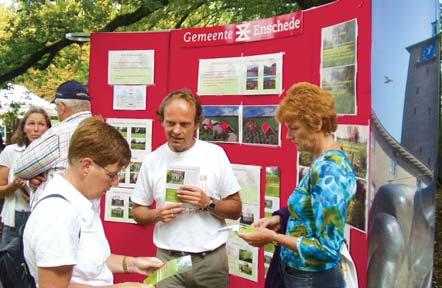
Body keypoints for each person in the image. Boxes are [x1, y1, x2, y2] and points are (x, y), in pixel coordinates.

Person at [238, 82, 356, 288]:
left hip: (312, 280)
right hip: (301, 275)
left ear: (317, 123)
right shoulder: (323, 161)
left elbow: (327, 250)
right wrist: (278, 219)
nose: (288, 136)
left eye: (294, 128)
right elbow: (311, 212)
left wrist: (274, 237)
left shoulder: (330, 172)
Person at [23, 117, 163, 287]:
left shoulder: (78, 203)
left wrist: (133, 264)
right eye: (111, 175)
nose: (116, 182)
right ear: (86, 166)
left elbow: (89, 264)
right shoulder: (58, 214)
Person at [131, 89, 242, 288]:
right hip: (169, 261)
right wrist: (157, 214)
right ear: (162, 121)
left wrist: (208, 203)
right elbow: (138, 212)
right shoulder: (152, 160)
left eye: (185, 124)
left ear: (197, 124)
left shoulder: (215, 155)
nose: (176, 130)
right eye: (171, 123)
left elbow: (235, 210)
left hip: (210, 262)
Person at [14, 80, 92, 207]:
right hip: (90, 214)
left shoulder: (58, 133)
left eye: (56, 108)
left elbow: (20, 169)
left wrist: (37, 173)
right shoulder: (102, 129)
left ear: (62, 107)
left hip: (56, 213)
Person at [0, 107, 51, 286]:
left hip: (42, 218)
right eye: (31, 124)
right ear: (23, 128)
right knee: (8, 267)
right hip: (16, 217)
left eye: (41, 124)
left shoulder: (53, 154)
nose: (36, 129)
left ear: (48, 128)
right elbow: (1, 189)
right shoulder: (11, 152)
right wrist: (13, 186)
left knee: (35, 270)